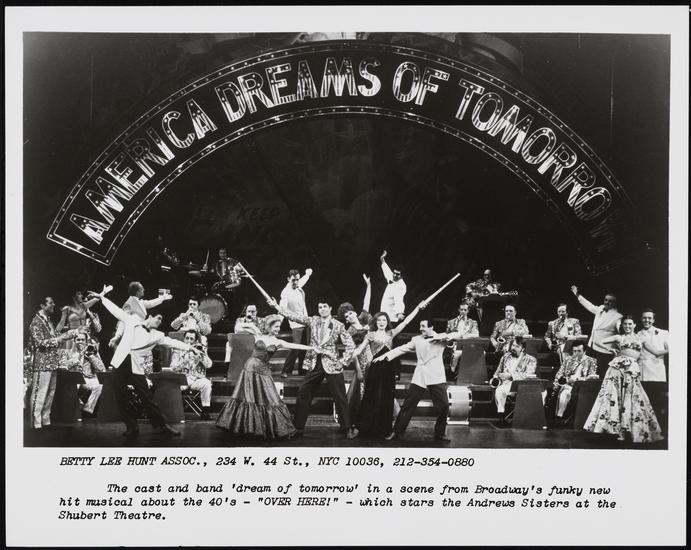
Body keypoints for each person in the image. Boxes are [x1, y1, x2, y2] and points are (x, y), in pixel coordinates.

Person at [90, 286, 201, 438]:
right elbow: (117, 311)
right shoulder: (132, 320)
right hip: (120, 362)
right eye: (158, 318)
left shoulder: (157, 335)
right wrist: (102, 297)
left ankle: (162, 425)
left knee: (146, 397)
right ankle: (131, 426)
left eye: (161, 320)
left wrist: (190, 348)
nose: (160, 322)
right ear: (150, 316)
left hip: (135, 366)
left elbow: (171, 342)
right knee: (120, 396)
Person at [216, 314, 316, 439]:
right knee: (249, 398)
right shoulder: (258, 335)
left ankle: (274, 428)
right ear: (269, 326)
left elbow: (296, 346)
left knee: (271, 398)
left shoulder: (278, 342)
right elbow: (238, 327)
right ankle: (248, 428)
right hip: (250, 369)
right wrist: (251, 325)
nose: (278, 329)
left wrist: (312, 348)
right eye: (276, 326)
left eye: (279, 327)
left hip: (263, 371)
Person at [268, 298, 356, 438]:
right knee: (304, 391)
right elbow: (294, 317)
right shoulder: (313, 320)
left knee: (340, 396)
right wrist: (277, 307)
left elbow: (350, 345)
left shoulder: (338, 325)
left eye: (325, 306)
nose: (322, 309)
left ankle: (347, 428)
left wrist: (343, 361)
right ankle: (298, 427)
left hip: (332, 364)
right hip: (315, 363)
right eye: (320, 307)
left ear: (330, 308)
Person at [376, 319, 460, 442]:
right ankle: (396, 432)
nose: (420, 329)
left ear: (431, 327)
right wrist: (384, 356)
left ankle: (440, 433)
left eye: (423, 326)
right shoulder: (416, 339)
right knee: (408, 406)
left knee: (444, 406)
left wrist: (445, 337)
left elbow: (458, 334)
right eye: (420, 326)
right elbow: (401, 349)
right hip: (420, 376)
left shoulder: (441, 338)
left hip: (435, 377)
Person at [584, 316, 663, 443]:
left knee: (632, 398)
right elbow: (598, 341)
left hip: (631, 369)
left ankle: (629, 430)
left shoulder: (641, 339)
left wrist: (671, 348)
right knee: (616, 398)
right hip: (617, 369)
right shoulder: (619, 337)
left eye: (630, 324)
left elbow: (657, 352)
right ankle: (618, 431)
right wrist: (610, 349)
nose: (627, 326)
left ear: (634, 325)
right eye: (625, 324)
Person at [28, 297, 84, 429]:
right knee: (40, 393)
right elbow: (40, 343)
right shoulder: (36, 322)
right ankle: (36, 423)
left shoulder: (48, 321)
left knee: (50, 393)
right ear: (42, 305)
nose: (53, 304)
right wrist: (60, 338)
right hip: (42, 364)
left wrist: (74, 332)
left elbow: (56, 336)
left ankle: (45, 420)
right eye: (50, 303)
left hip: (52, 363)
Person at [570, 285, 623, 376]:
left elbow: (621, 332)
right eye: (606, 300)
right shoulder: (600, 309)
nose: (607, 302)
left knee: (603, 373)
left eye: (610, 301)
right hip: (592, 345)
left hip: (605, 350)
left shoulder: (618, 316)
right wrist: (577, 295)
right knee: (588, 370)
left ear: (615, 303)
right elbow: (589, 306)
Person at [337, 274, 373, 403]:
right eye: (346, 316)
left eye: (350, 313)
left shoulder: (364, 318)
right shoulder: (349, 332)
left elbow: (367, 302)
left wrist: (368, 285)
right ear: (346, 320)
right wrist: (358, 369)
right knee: (364, 387)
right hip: (362, 359)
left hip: (374, 353)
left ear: (355, 313)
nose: (349, 316)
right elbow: (352, 352)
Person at [109, 281, 172, 348]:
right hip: (129, 334)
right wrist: (117, 336)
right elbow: (122, 320)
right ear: (137, 292)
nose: (143, 290)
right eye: (142, 289)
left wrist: (163, 298)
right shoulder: (129, 303)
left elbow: (150, 303)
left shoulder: (139, 301)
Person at [490, 336, 538, 419]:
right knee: (499, 390)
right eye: (513, 345)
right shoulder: (505, 356)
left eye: (517, 346)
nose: (513, 348)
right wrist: (496, 378)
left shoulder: (531, 359)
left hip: (521, 385)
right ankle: (501, 415)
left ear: (523, 349)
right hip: (506, 384)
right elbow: (498, 371)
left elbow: (529, 375)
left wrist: (511, 376)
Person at [170, 330, 214, 419]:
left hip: (197, 379)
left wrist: (202, 357)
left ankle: (205, 412)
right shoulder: (177, 350)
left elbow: (209, 365)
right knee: (174, 387)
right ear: (184, 339)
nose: (189, 341)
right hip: (183, 378)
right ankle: (175, 412)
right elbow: (173, 367)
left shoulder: (200, 349)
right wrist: (184, 360)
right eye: (187, 338)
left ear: (196, 341)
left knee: (207, 383)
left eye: (191, 339)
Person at [550, 342, 598, 422]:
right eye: (574, 351)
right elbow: (559, 374)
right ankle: (559, 417)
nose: (576, 353)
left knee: (567, 394)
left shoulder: (591, 361)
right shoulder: (568, 359)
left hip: (582, 387)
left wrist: (578, 380)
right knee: (565, 393)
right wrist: (563, 381)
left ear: (584, 351)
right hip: (567, 385)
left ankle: (562, 418)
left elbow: (591, 377)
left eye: (579, 351)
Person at [63, 332, 106, 416]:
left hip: (87, 379)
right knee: (76, 383)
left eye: (83, 340)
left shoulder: (91, 351)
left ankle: (87, 409)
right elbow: (63, 365)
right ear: (74, 341)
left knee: (99, 385)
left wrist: (91, 357)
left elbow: (102, 369)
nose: (80, 341)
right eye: (78, 339)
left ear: (86, 341)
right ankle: (73, 409)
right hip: (73, 379)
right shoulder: (68, 352)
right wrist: (76, 358)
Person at [279, 268, 313, 377]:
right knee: (295, 347)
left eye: (297, 279)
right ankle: (286, 371)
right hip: (296, 325)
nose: (296, 282)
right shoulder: (285, 293)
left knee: (304, 348)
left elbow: (303, 280)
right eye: (293, 280)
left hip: (305, 322)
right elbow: (282, 309)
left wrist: (308, 274)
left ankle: (302, 371)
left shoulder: (298, 285)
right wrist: (278, 323)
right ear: (288, 279)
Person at [445, 302, 480, 373]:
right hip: (455, 344)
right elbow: (447, 335)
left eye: (465, 310)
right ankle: (452, 371)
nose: (463, 311)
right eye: (461, 309)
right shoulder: (451, 322)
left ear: (468, 311)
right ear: (459, 310)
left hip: (468, 344)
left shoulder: (473, 322)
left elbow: (476, 335)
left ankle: (469, 372)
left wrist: (464, 336)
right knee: (457, 354)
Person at [636, 308, 669, 382]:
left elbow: (670, 349)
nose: (647, 320)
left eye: (649, 318)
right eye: (644, 318)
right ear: (641, 319)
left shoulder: (663, 333)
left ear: (653, 320)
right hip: (642, 371)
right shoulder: (637, 335)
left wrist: (658, 354)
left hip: (657, 371)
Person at [379, 250, 406, 323]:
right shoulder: (392, 277)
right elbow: (386, 271)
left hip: (391, 317)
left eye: (397, 274)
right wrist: (382, 259)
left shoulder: (401, 286)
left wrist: (400, 312)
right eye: (394, 273)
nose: (394, 275)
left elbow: (399, 300)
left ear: (402, 276)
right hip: (383, 311)